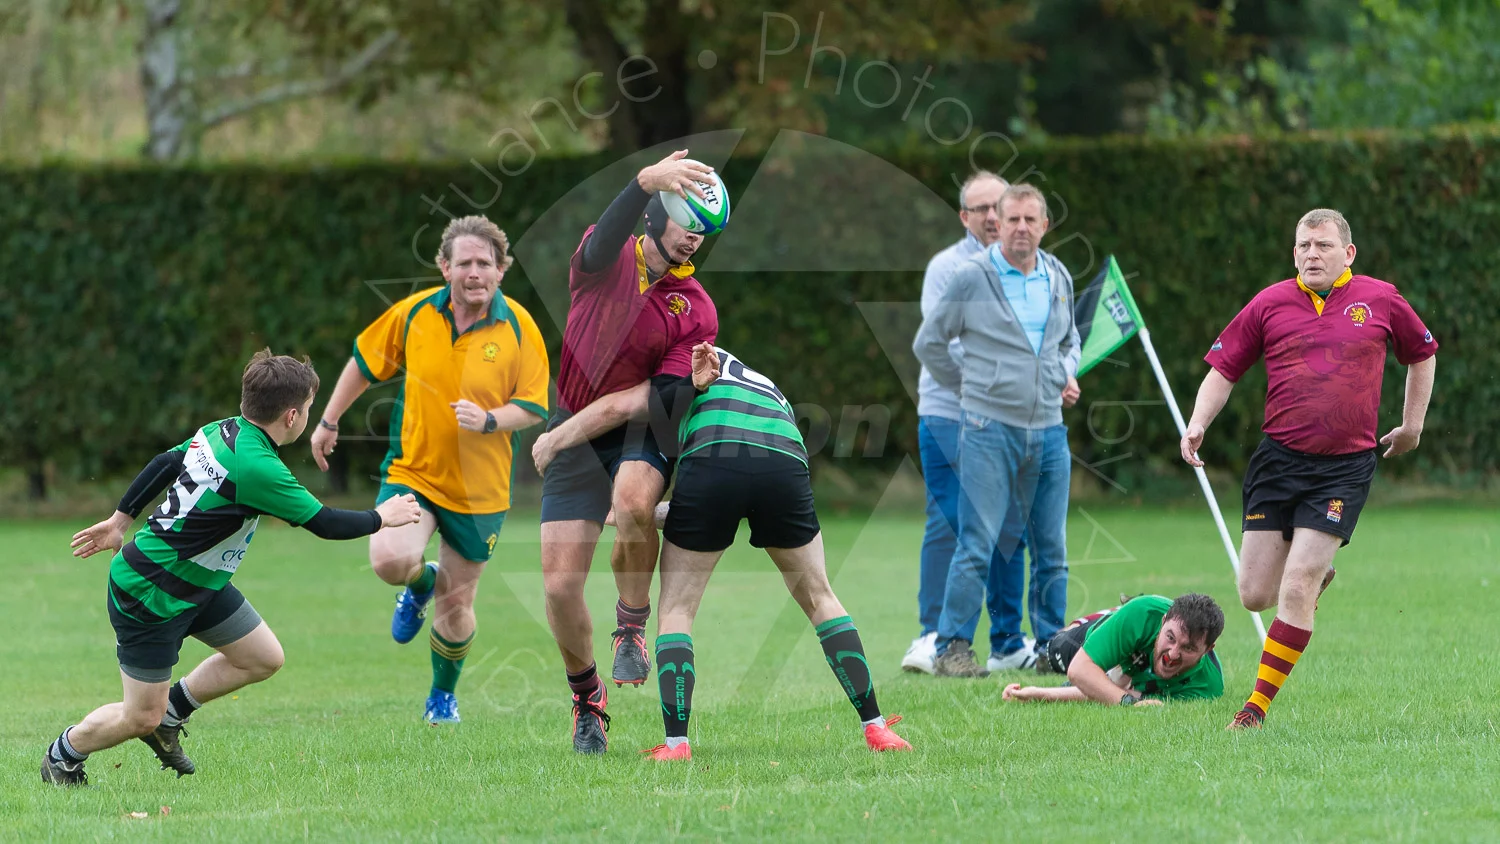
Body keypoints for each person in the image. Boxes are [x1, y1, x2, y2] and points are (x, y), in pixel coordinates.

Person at [41, 350, 423, 787]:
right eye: (310, 410)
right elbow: (325, 523)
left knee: (262, 658)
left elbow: (167, 462)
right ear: (293, 415)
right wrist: (383, 517)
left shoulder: (223, 430)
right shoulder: (257, 466)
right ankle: (63, 754)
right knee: (138, 717)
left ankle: (173, 713)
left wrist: (120, 519)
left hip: (196, 582)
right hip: (153, 592)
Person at [534, 343, 911, 760]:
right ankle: (876, 728)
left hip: (712, 455)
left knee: (677, 609)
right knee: (821, 596)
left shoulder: (675, 373)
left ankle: (677, 744)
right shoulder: (753, 379)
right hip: (784, 453)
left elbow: (709, 487)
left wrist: (636, 513)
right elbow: (744, 484)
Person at [1181, 208, 1437, 730]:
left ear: (1348, 252)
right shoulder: (1269, 302)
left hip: (1344, 468)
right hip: (1277, 462)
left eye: (1322, 245)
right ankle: (1315, 580)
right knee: (1254, 594)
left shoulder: (1381, 298)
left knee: (1296, 584)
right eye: (1302, 246)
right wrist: (1196, 423)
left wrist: (1411, 426)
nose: (1310, 255)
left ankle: (1254, 709)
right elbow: (1223, 368)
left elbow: (1422, 353)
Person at [308, 215, 550, 724]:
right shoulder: (415, 314)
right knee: (389, 561)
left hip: (480, 492)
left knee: (458, 605)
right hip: (413, 473)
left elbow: (532, 406)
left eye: (485, 263)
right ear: (445, 267)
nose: (475, 272)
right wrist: (329, 420)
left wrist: (489, 420)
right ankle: (418, 583)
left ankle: (442, 697)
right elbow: (363, 360)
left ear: (501, 270)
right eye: (464, 262)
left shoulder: (520, 328)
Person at [529, 150, 718, 754]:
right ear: (659, 212)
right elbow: (603, 235)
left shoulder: (698, 310)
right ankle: (587, 699)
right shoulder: (602, 260)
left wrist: (560, 434)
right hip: (575, 424)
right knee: (559, 589)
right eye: (688, 220)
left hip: (638, 429)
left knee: (635, 502)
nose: (695, 237)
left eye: (705, 231)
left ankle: (631, 626)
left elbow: (652, 398)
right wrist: (641, 182)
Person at [912, 182, 1081, 678]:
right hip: (988, 429)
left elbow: (1070, 340)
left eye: (1031, 219)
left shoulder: (1058, 275)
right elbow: (930, 344)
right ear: (997, 227)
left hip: (1049, 430)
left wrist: (1063, 371)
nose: (1021, 228)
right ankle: (952, 649)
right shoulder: (971, 277)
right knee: (977, 541)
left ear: (1045, 225)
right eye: (1012, 220)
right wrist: (969, 389)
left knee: (1051, 548)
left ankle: (1052, 648)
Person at [904, 170, 1036, 676]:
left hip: (1008, 419)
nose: (989, 216)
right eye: (979, 209)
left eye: (996, 206)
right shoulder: (947, 268)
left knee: (1009, 527)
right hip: (947, 413)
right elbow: (949, 343)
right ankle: (931, 635)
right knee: (951, 522)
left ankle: (1008, 640)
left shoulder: (1025, 269)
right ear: (964, 217)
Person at [1001, 594, 1225, 705]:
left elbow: (1111, 693)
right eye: (1170, 638)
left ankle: (1122, 666)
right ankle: (1111, 618)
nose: (1173, 653)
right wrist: (1128, 705)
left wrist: (1039, 694)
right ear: (1163, 621)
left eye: (1188, 648)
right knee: (1054, 652)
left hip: (1129, 668)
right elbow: (1079, 672)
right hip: (1088, 637)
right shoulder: (1144, 615)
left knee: (1116, 682)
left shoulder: (1207, 687)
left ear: (1207, 649)